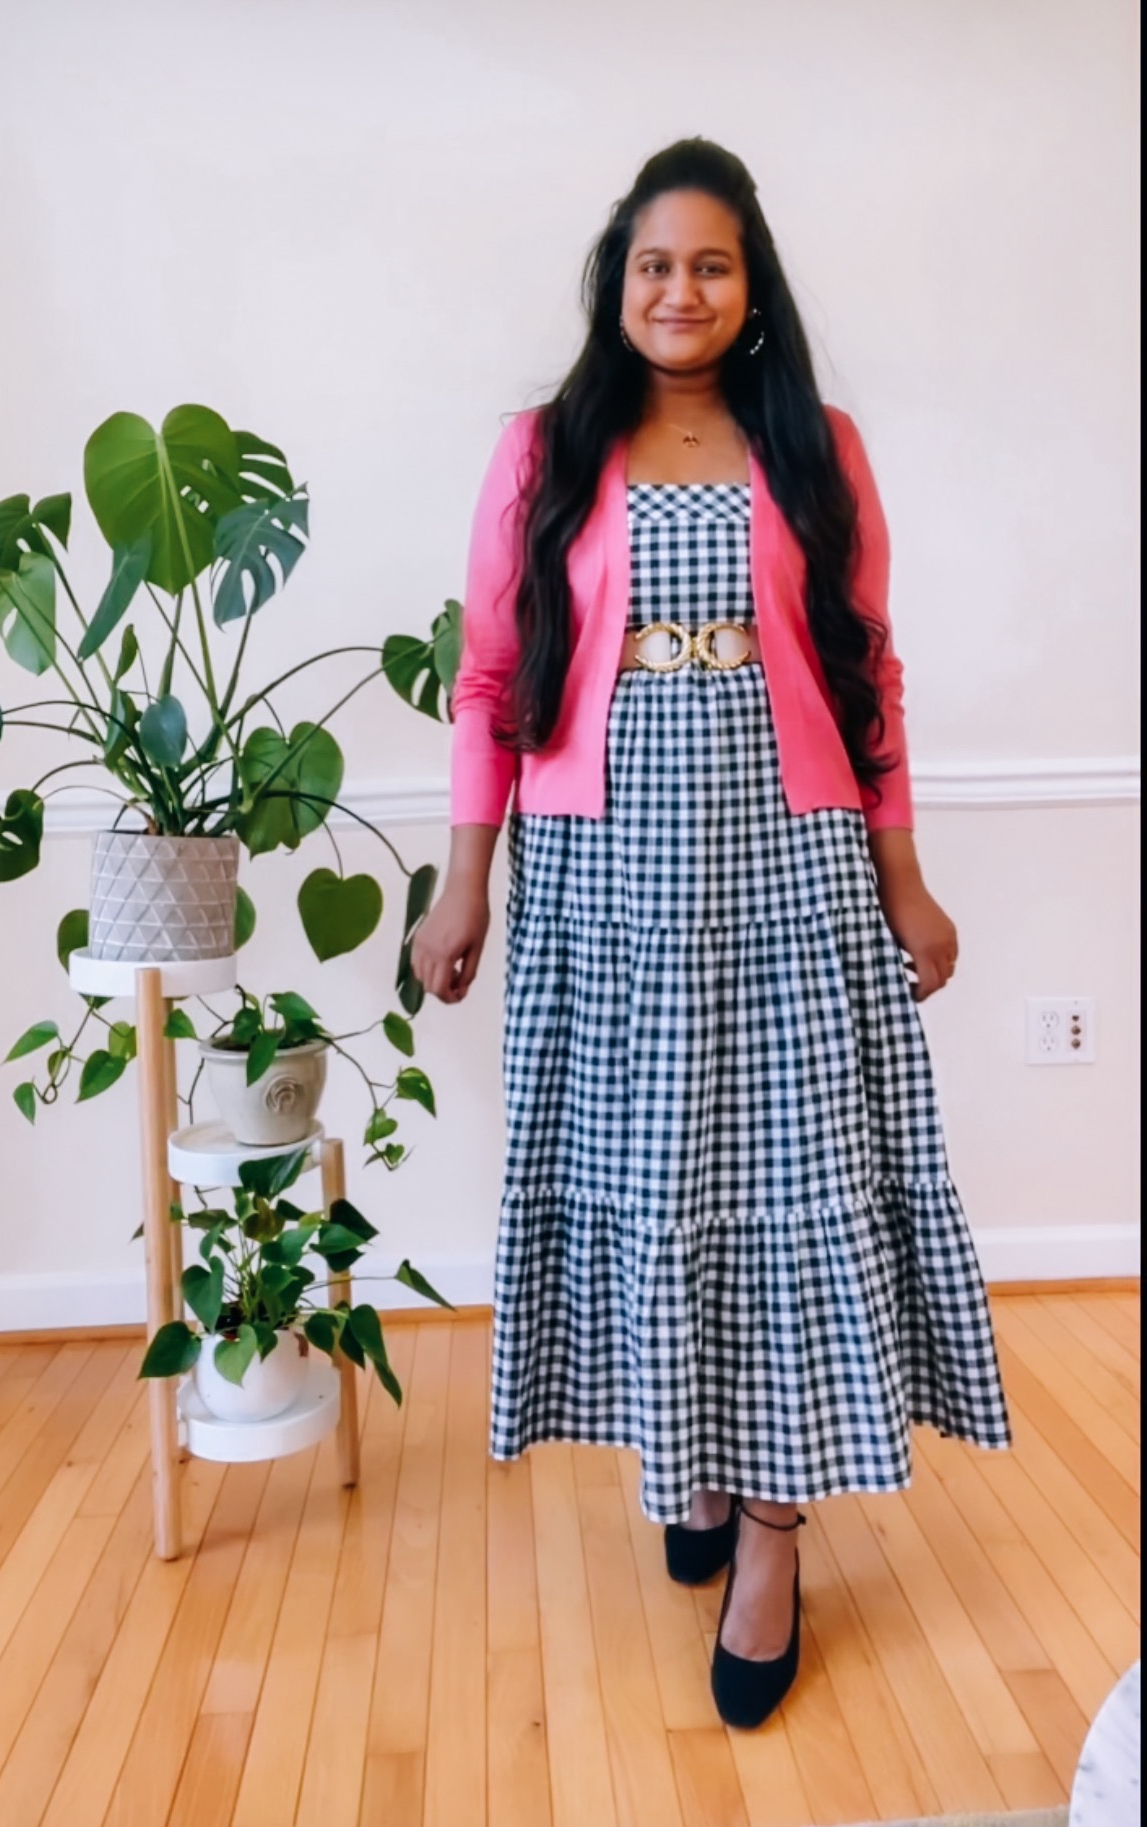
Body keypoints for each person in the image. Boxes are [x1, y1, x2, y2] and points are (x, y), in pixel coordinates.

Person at [411, 137, 1010, 1730]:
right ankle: (690, 1452)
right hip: (601, 880)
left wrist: (903, 877)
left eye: (710, 265)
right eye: (653, 265)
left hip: (788, 867)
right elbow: (489, 677)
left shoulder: (817, 446)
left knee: (790, 1181)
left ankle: (769, 1536)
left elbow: (867, 670)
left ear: (752, 291)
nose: (679, 290)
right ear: (617, 285)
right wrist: (464, 882)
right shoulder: (544, 448)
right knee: (654, 1178)